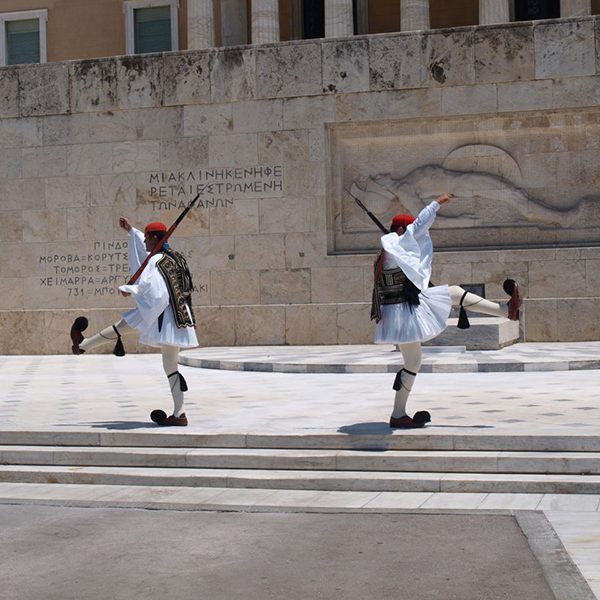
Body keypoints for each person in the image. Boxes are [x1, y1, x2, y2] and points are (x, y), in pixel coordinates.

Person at [371, 192, 521, 429]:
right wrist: (436, 203)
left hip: (400, 313)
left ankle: (398, 414)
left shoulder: (388, 251)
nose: (417, 237)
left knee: (414, 362)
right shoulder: (397, 244)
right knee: (451, 295)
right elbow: (418, 226)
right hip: (404, 314)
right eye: (408, 231)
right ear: (401, 231)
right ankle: (506, 311)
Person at [70, 217, 198, 426]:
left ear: (154, 238)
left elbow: (155, 293)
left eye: (147, 238)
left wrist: (130, 290)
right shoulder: (176, 257)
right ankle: (179, 414)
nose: (145, 242)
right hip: (180, 317)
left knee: (164, 361)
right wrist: (131, 230)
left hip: (164, 316)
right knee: (164, 360)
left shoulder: (156, 262)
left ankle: (82, 347)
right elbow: (146, 251)